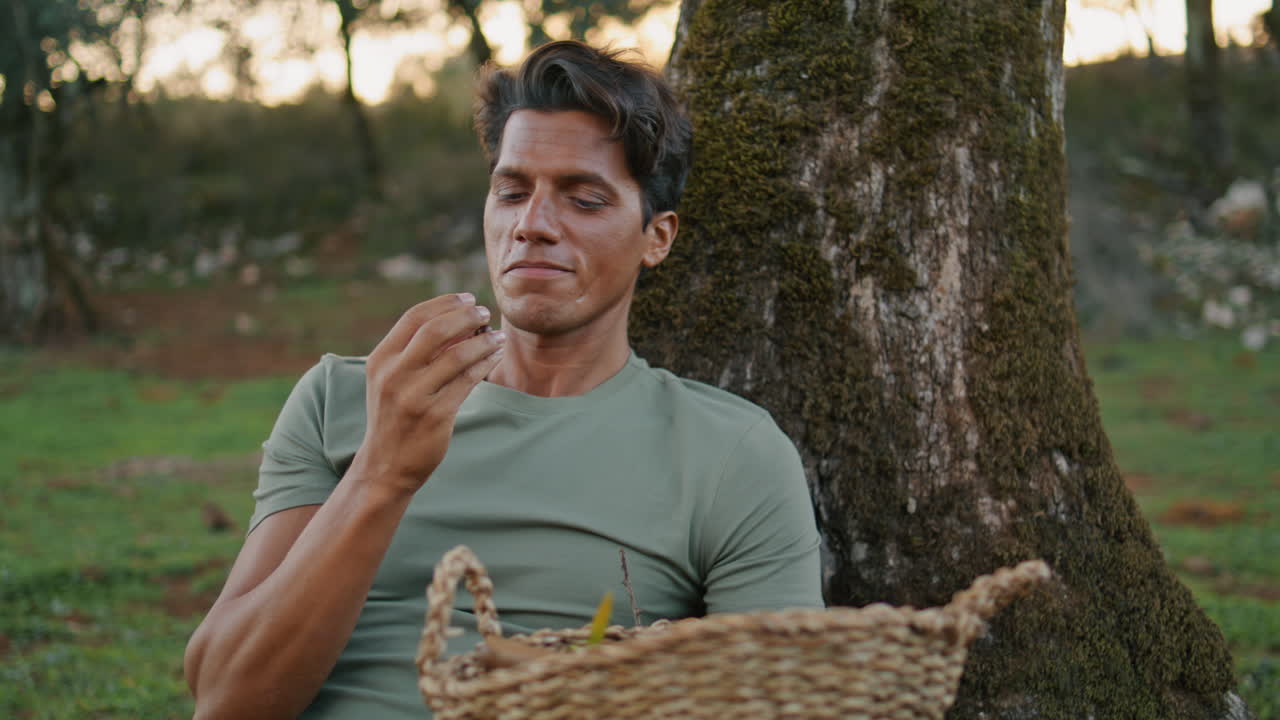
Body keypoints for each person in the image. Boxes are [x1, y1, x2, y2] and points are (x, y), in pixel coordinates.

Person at [183, 40, 822, 720]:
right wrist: (381, 473)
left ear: (656, 237)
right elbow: (225, 699)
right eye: (512, 192)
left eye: (584, 200)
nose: (532, 225)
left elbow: (776, 703)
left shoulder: (730, 455)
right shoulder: (341, 400)